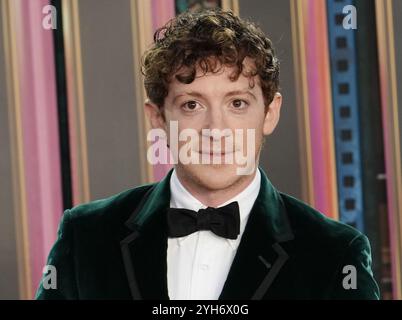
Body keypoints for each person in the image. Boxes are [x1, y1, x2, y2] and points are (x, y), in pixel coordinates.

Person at [36, 9, 379, 300]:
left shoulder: (335, 254)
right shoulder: (86, 237)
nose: (216, 129)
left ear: (270, 114)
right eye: (192, 105)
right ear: (158, 118)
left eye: (237, 103)